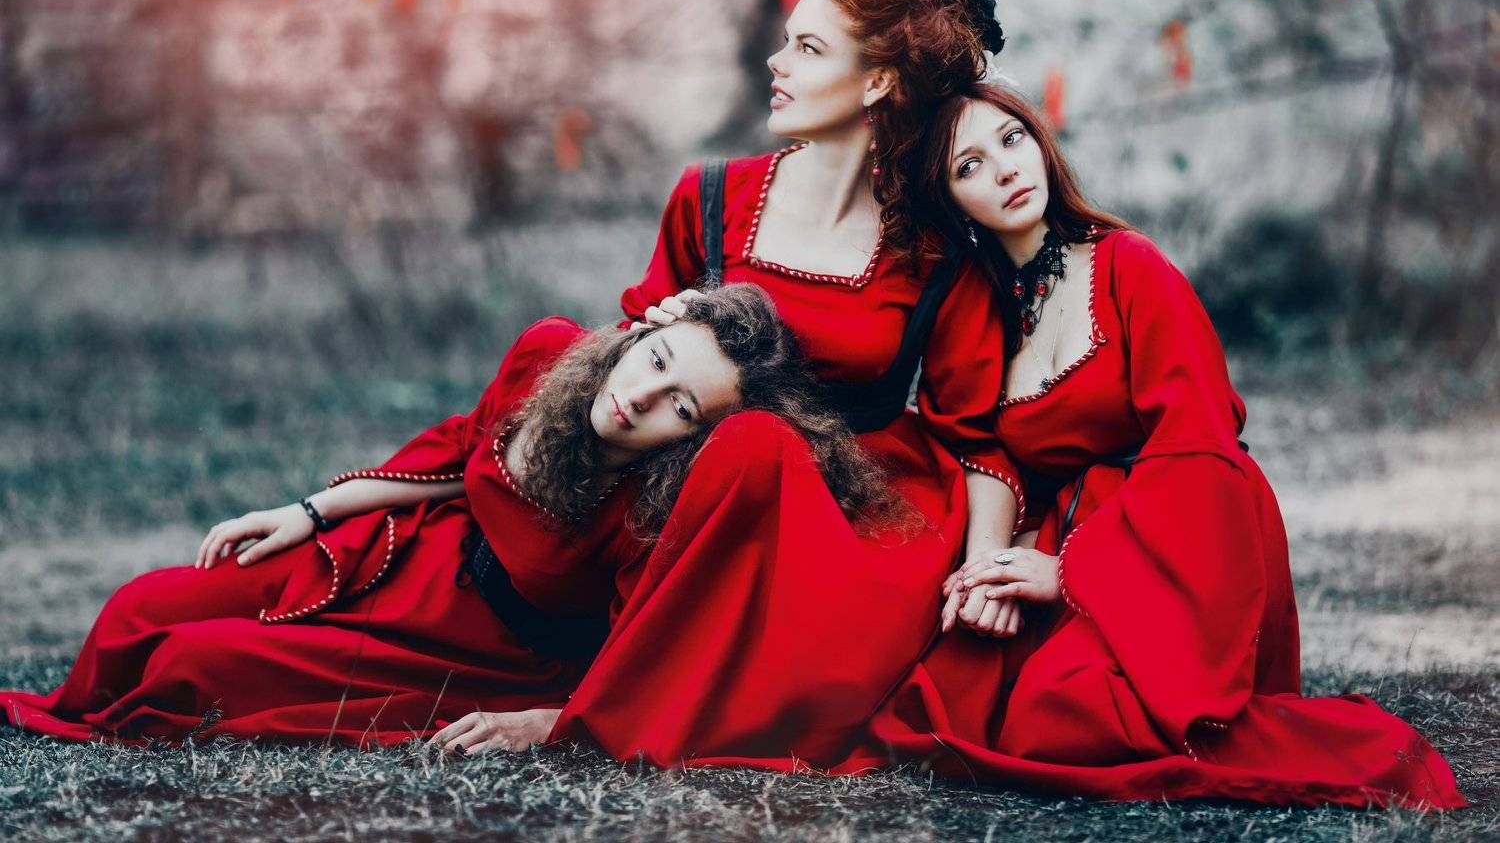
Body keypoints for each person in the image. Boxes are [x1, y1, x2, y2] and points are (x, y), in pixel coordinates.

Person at [850, 82, 1466, 808]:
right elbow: (980, 449)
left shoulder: (1128, 265)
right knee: (942, 702)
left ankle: (1357, 748)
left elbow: (1200, 445)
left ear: (1040, 143)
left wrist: (1069, 572)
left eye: (1012, 140)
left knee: (1067, 714)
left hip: (1185, 533)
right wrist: (990, 568)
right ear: (952, 202)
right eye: (969, 166)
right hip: (1066, 530)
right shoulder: (977, 311)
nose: (1006, 169)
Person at [0, 285, 891, 754]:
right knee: (141, 609)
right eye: (655, 362)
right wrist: (305, 512)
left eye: (681, 409)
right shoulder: (548, 354)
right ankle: (59, 704)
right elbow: (454, 452)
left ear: (694, 439)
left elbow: (638, 652)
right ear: (639, 337)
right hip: (400, 555)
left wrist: (548, 722)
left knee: (187, 667)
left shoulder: (644, 514)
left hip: (467, 652)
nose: (642, 398)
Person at [543, 0, 1031, 768]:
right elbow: (623, 369)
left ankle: (597, 712)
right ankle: (599, 688)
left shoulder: (938, 253)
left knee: (758, 445)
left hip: (856, 514)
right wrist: (652, 335)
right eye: (786, 41)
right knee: (739, 442)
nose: (776, 63)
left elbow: (975, 437)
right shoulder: (710, 197)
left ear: (877, 82)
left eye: (807, 48)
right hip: (696, 495)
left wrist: (981, 568)